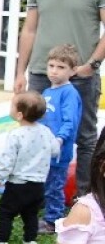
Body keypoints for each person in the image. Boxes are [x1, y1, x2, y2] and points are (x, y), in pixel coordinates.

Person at [15, 0, 105, 190]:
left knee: (85, 137)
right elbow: (29, 30)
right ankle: (38, 193)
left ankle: (84, 197)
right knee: (38, 132)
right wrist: (21, 72)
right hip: (42, 73)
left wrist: (92, 64)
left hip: (80, 77)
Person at [0, 92, 59, 244]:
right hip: (38, 184)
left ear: (19, 115)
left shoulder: (16, 135)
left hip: (17, 183)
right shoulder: (45, 131)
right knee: (31, 213)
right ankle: (30, 239)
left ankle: (2, 240)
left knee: (6, 212)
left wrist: (0, 176)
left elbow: (8, 159)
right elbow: (55, 150)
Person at [39, 44, 85, 233]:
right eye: (51, 66)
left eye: (61, 67)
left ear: (73, 71)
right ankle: (44, 211)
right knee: (45, 182)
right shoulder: (47, 92)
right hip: (43, 148)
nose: (54, 71)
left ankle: (53, 220)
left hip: (58, 150)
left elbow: (70, 121)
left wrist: (59, 139)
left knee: (55, 185)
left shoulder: (69, 93)